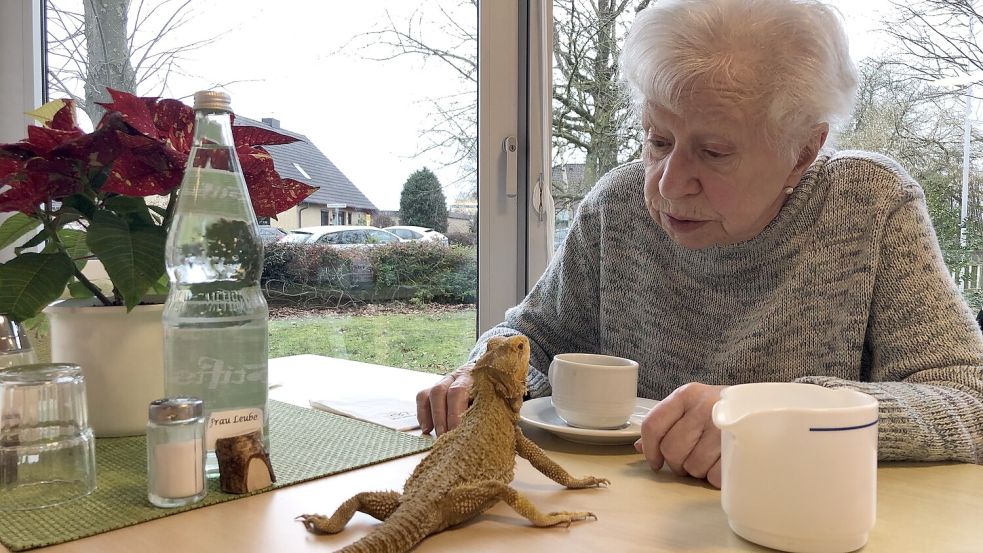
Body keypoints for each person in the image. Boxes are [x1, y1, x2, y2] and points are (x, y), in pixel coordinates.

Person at [416, 0, 983, 487]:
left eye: (714, 152)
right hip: (618, 520)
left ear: (803, 151)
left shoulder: (869, 206)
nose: (667, 184)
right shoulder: (617, 206)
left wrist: (774, 414)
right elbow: (529, 337)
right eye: (658, 139)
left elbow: (967, 400)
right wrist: (479, 374)